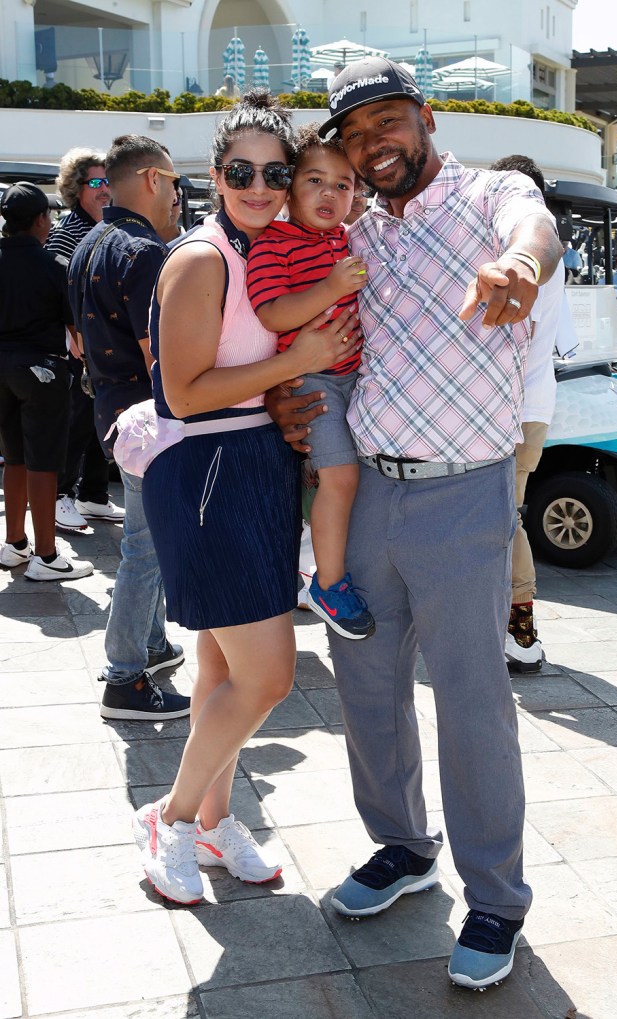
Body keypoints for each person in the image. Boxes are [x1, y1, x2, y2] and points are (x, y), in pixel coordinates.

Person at [267, 57, 563, 990]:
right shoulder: (356, 224)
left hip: (464, 492)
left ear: (425, 117)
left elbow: (535, 225)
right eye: (354, 136)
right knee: (364, 683)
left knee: (473, 701)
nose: (371, 146)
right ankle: (401, 845)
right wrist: (290, 393)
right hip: (361, 492)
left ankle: (495, 898)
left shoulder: (490, 194)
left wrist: (519, 260)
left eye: (386, 122)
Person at [132, 91, 359, 904]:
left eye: (275, 171)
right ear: (214, 174)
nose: (259, 185)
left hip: (254, 464)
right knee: (267, 674)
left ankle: (216, 820)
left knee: (223, 666)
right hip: (205, 473)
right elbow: (185, 395)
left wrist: (285, 394)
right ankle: (172, 814)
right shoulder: (201, 258)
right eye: (241, 171)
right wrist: (293, 358)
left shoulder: (261, 249)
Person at [69, 135, 189, 722]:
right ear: (150, 178)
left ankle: (152, 644)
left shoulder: (89, 241)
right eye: (173, 183)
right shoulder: (144, 251)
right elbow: (160, 358)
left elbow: (77, 340)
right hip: (151, 421)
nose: (176, 196)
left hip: (115, 415)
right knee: (146, 549)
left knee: (149, 545)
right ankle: (124, 677)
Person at [247, 123, 373, 639]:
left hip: (355, 380)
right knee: (340, 479)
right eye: (315, 180)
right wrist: (331, 286)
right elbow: (274, 314)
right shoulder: (273, 242)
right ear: (290, 186)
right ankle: (328, 583)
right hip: (311, 383)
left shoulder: (348, 238)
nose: (329, 194)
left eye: (343, 185)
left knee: (350, 483)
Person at [489, 155, 568, 673]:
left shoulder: (518, 255)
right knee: (501, 519)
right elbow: (562, 340)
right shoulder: (557, 258)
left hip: (510, 412)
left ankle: (521, 630)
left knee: (505, 521)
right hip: (534, 408)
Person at [0, 182, 94, 581]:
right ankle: (47, 555)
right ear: (41, 220)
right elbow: (76, 329)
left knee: (14, 456)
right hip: (42, 371)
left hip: (0, 368)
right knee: (43, 463)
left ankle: (15, 544)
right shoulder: (54, 266)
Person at [45, 147, 124, 533]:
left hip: (102, 343)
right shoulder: (66, 232)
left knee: (100, 421)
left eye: (108, 180)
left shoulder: (108, 227)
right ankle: (61, 494)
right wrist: (70, 338)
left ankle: (93, 495)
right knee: (75, 422)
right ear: (78, 188)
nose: (104, 188)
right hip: (75, 347)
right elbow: (52, 293)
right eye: (95, 181)